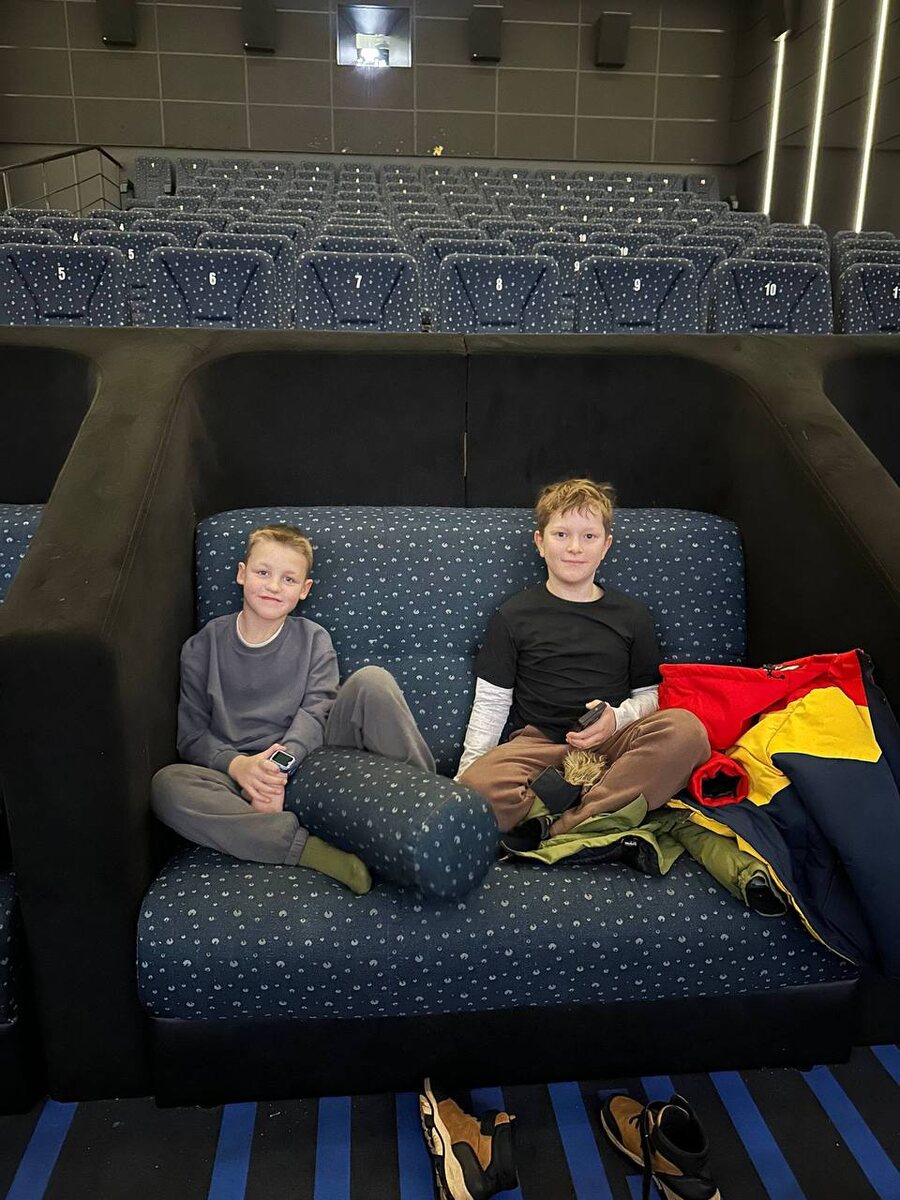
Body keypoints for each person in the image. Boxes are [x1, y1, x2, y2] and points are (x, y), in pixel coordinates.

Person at [151, 523, 434, 894]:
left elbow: (317, 712)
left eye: (288, 579)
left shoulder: (313, 639)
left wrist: (276, 770)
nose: (273, 586)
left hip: (311, 764)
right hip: (238, 780)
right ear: (241, 574)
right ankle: (307, 850)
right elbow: (192, 736)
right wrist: (241, 768)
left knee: (373, 681)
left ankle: (427, 812)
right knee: (167, 786)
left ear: (304, 589)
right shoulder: (201, 647)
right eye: (263, 572)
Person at [456, 478, 710, 835]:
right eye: (561, 535)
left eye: (588, 536)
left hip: (613, 745)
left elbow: (650, 697)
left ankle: (563, 823)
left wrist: (616, 719)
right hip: (540, 746)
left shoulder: (632, 615)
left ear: (605, 546)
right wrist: (464, 781)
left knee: (687, 732)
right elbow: (491, 703)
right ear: (540, 542)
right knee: (478, 788)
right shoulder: (512, 615)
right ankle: (598, 814)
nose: (575, 547)